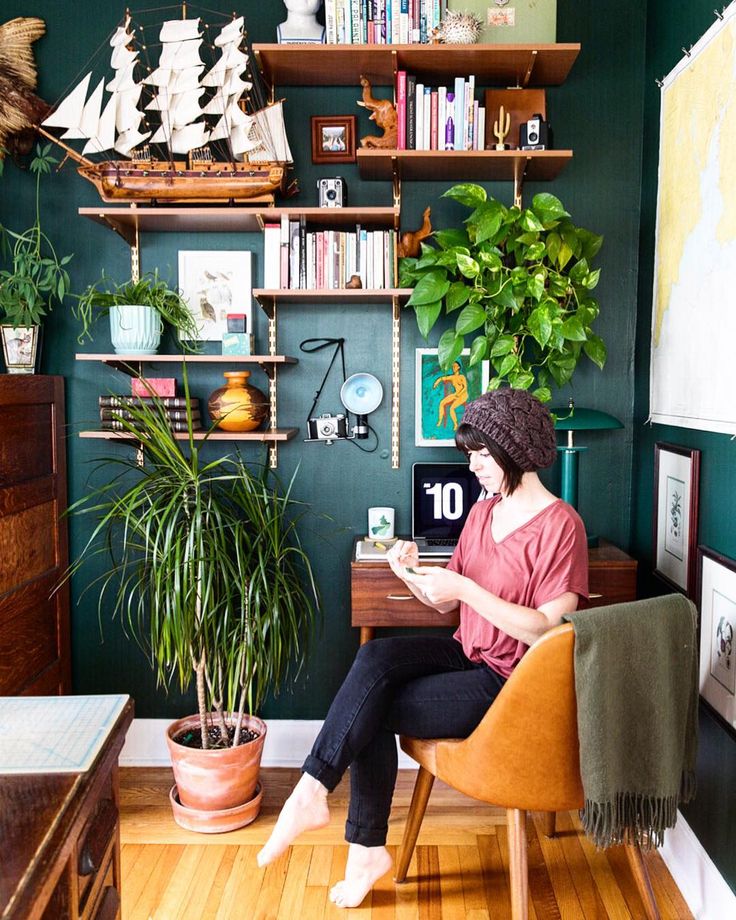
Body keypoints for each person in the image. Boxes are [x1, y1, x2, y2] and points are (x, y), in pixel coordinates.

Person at [257, 388, 589, 908]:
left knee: (373, 706)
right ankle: (315, 794)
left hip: (510, 685)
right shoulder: (483, 513)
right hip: (467, 650)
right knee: (373, 660)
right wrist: (408, 572)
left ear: (516, 452)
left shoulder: (561, 526)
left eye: (482, 455)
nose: (473, 466)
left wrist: (465, 589)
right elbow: (446, 606)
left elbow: (546, 630)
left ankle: (354, 837)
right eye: (471, 455)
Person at [433, 359, 469, 430]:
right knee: (442, 403)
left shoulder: (462, 377)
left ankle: (455, 424)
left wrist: (459, 394)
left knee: (452, 408)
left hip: (463, 395)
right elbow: (442, 378)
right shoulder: (452, 377)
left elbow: (465, 387)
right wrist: (437, 382)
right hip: (456, 394)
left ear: (458, 367)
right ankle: (440, 420)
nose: (453, 368)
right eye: (453, 367)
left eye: (455, 366)